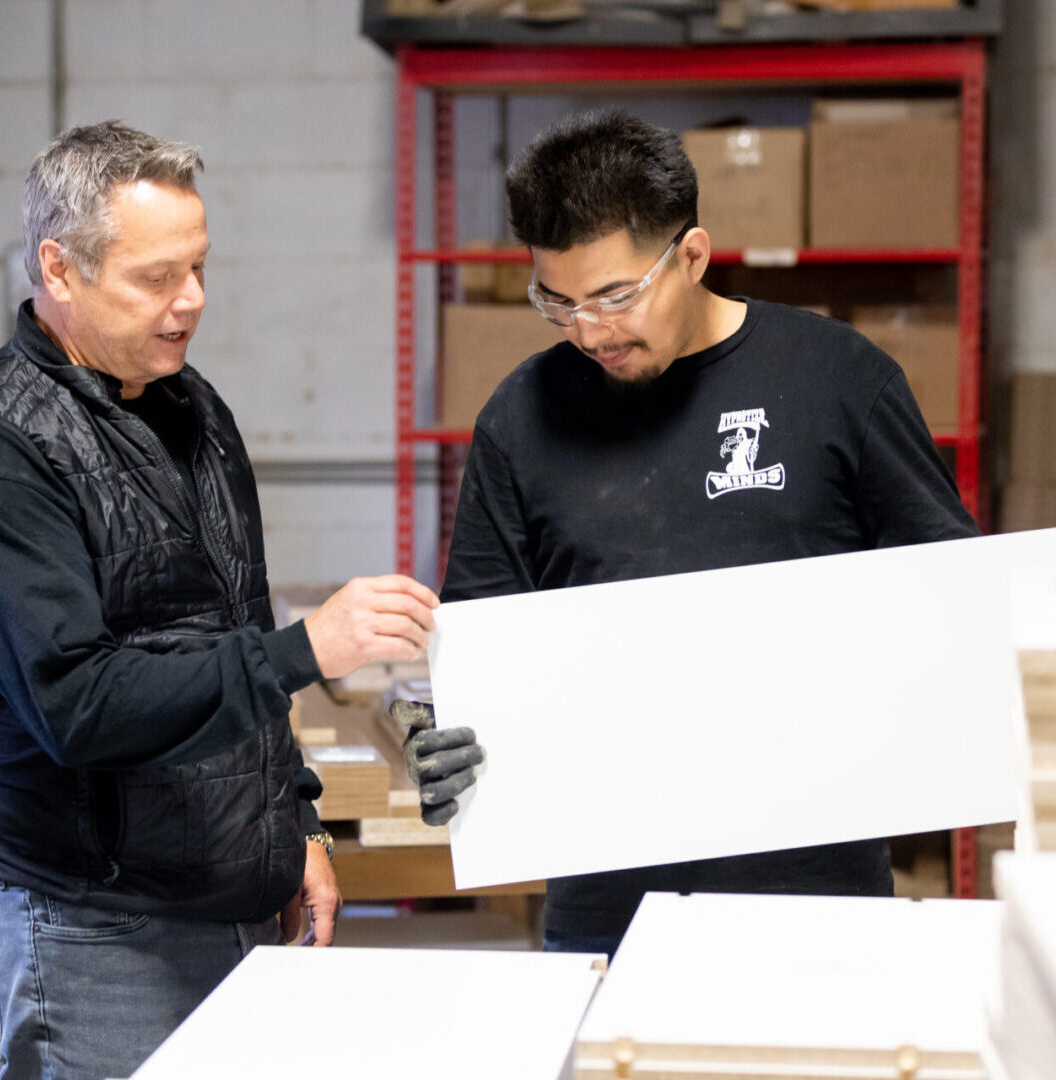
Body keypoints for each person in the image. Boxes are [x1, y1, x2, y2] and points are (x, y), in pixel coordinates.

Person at [0, 121, 439, 1080]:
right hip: (88, 929)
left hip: (226, 899)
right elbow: (80, 705)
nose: (190, 302)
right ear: (58, 269)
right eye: (156, 278)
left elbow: (228, 628)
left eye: (198, 268)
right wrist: (305, 650)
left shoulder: (193, 410)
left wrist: (295, 828)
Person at [403, 108, 979, 958]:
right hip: (608, 910)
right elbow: (485, 650)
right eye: (555, 302)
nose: (590, 332)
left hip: (817, 902)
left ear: (694, 256)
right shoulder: (522, 419)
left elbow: (953, 605)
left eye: (615, 296)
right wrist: (451, 738)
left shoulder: (838, 380)